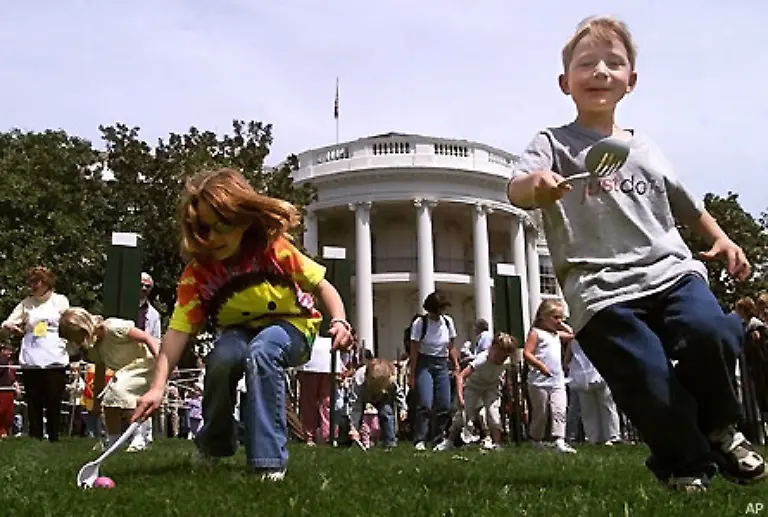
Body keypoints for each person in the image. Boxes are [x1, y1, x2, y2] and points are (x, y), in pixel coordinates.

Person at [506, 15, 764, 490]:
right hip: (600, 289)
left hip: (669, 270)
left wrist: (721, 238)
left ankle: (721, 429)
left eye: (613, 63)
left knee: (711, 332)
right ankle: (685, 463)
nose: (600, 71)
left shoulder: (644, 147)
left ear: (631, 82)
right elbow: (517, 188)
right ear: (565, 82)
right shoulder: (553, 143)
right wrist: (535, 186)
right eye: (587, 64)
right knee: (647, 376)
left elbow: (685, 203)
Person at [131, 167, 352, 481]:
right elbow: (177, 332)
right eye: (203, 228)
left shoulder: (273, 250)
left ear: (245, 219)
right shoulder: (197, 275)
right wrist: (156, 387)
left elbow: (323, 286)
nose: (213, 238)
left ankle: (269, 462)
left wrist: (340, 320)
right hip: (239, 331)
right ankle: (214, 445)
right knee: (221, 358)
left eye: (223, 226)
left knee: (263, 351)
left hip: (293, 326)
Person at [59, 307, 159, 447]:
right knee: (109, 399)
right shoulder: (94, 348)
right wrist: (96, 401)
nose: (76, 343)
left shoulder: (114, 328)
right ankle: (113, 440)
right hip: (124, 370)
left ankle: (139, 437)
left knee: (122, 391)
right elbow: (99, 372)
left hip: (145, 363)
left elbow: (147, 338)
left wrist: (161, 362)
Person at [1, 266, 70, 442]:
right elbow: (8, 322)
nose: (33, 286)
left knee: (54, 398)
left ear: (46, 282)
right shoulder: (26, 304)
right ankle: (35, 436)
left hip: (55, 356)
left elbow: (70, 322)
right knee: (34, 399)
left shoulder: (60, 301)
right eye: (30, 282)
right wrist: (11, 326)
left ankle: (54, 436)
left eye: (36, 282)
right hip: (32, 356)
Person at [435, 332, 518, 451]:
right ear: (493, 349)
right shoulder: (481, 360)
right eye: (500, 355)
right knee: (464, 413)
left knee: (493, 413)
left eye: (505, 356)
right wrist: (460, 396)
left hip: (491, 387)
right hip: (473, 386)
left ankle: (497, 443)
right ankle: (450, 441)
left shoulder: (507, 362)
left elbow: (507, 375)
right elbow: (461, 376)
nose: (501, 359)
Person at [409, 291, 460, 450]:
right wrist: (412, 374)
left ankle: (438, 439)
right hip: (424, 363)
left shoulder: (447, 322)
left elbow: (451, 346)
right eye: (440, 308)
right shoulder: (420, 323)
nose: (442, 312)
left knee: (445, 405)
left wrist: (456, 364)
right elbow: (414, 350)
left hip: (442, 363)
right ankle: (420, 439)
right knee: (425, 403)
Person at [523, 300, 576, 454]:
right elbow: (527, 353)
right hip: (538, 381)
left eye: (561, 317)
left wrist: (563, 325)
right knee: (541, 412)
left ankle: (560, 440)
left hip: (556, 380)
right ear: (543, 317)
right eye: (555, 317)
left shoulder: (556, 335)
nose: (559, 321)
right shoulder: (536, 333)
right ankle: (536, 439)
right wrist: (540, 366)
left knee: (559, 408)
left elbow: (572, 335)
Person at [347, 358, 407, 450]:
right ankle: (351, 441)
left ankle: (390, 443)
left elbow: (398, 392)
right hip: (364, 395)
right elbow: (355, 406)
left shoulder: (389, 379)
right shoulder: (358, 380)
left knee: (386, 413)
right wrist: (354, 427)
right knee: (353, 417)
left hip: (382, 396)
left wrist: (403, 407)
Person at [132, 271, 162, 450]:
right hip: (126, 355)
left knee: (143, 396)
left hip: (145, 357)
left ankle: (142, 436)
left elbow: (156, 338)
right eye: (141, 285)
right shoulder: (125, 307)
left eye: (147, 286)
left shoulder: (154, 315)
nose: (143, 289)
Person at [0, 342, 21, 438]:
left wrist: (16, 386)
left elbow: (13, 377)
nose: (10, 352)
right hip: (2, 389)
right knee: (1, 411)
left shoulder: (10, 363)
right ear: (3, 350)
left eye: (11, 351)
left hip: (9, 389)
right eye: (7, 350)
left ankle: (4, 431)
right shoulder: (2, 361)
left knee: (9, 413)